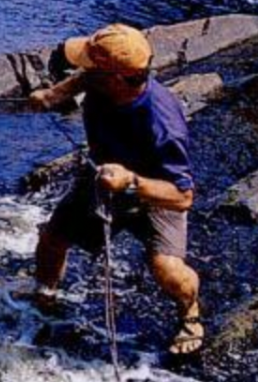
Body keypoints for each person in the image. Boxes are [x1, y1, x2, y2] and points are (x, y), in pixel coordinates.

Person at [27, 23, 203, 356]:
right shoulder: (103, 79)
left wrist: (131, 182)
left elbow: (184, 196)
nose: (85, 70)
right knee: (53, 239)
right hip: (101, 178)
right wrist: (53, 96)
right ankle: (44, 295)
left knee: (169, 271)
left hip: (154, 194)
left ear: (117, 78)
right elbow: (84, 77)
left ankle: (191, 313)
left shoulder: (163, 123)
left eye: (92, 66)